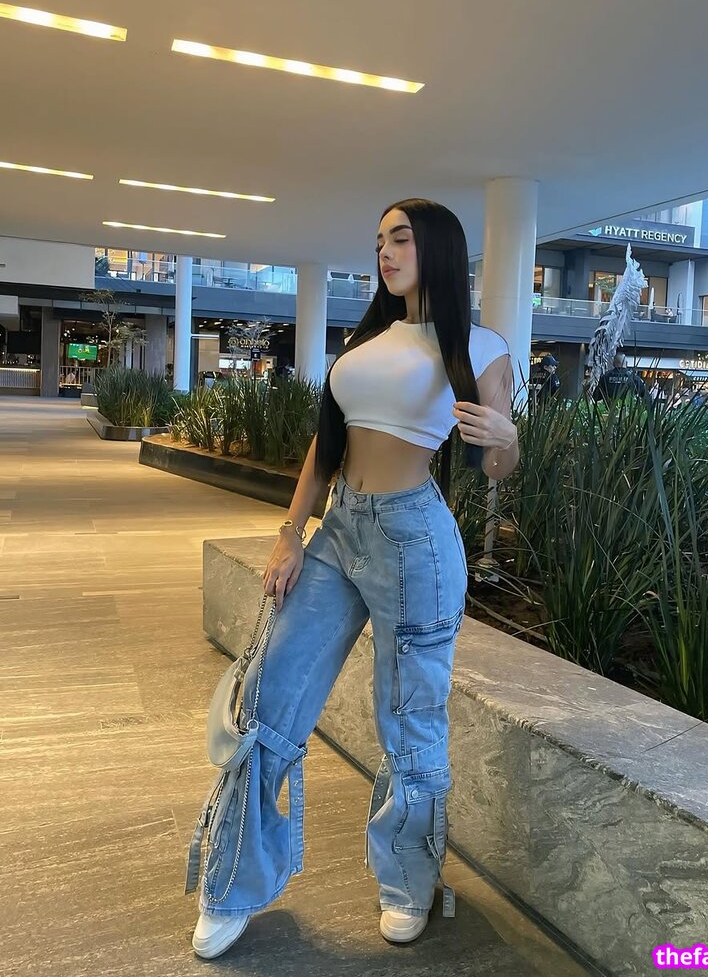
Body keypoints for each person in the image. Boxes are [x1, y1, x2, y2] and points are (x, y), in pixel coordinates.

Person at [191, 199, 519, 959]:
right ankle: (232, 882)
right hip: (339, 531)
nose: (385, 252)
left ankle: (408, 881)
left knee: (409, 720)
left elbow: (495, 466)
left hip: (415, 538)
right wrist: (290, 532)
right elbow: (325, 445)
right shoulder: (365, 340)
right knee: (269, 699)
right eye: (378, 241)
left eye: (400, 238)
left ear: (438, 248)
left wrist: (508, 436)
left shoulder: (480, 346)